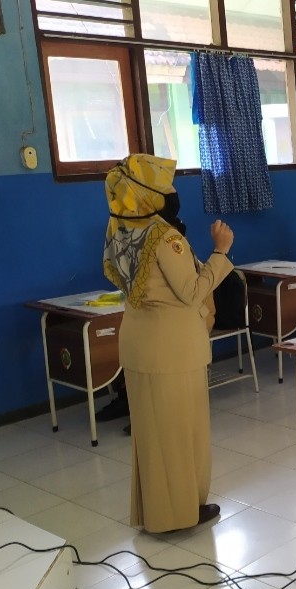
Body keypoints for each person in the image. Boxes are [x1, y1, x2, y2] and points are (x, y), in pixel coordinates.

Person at [103, 154, 234, 534]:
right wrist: (221, 251)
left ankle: (155, 512)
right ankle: (178, 515)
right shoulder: (165, 236)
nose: (174, 191)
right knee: (179, 432)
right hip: (172, 349)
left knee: (151, 432)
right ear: (150, 194)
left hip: (139, 341)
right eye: (167, 186)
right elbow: (192, 291)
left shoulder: (119, 228)